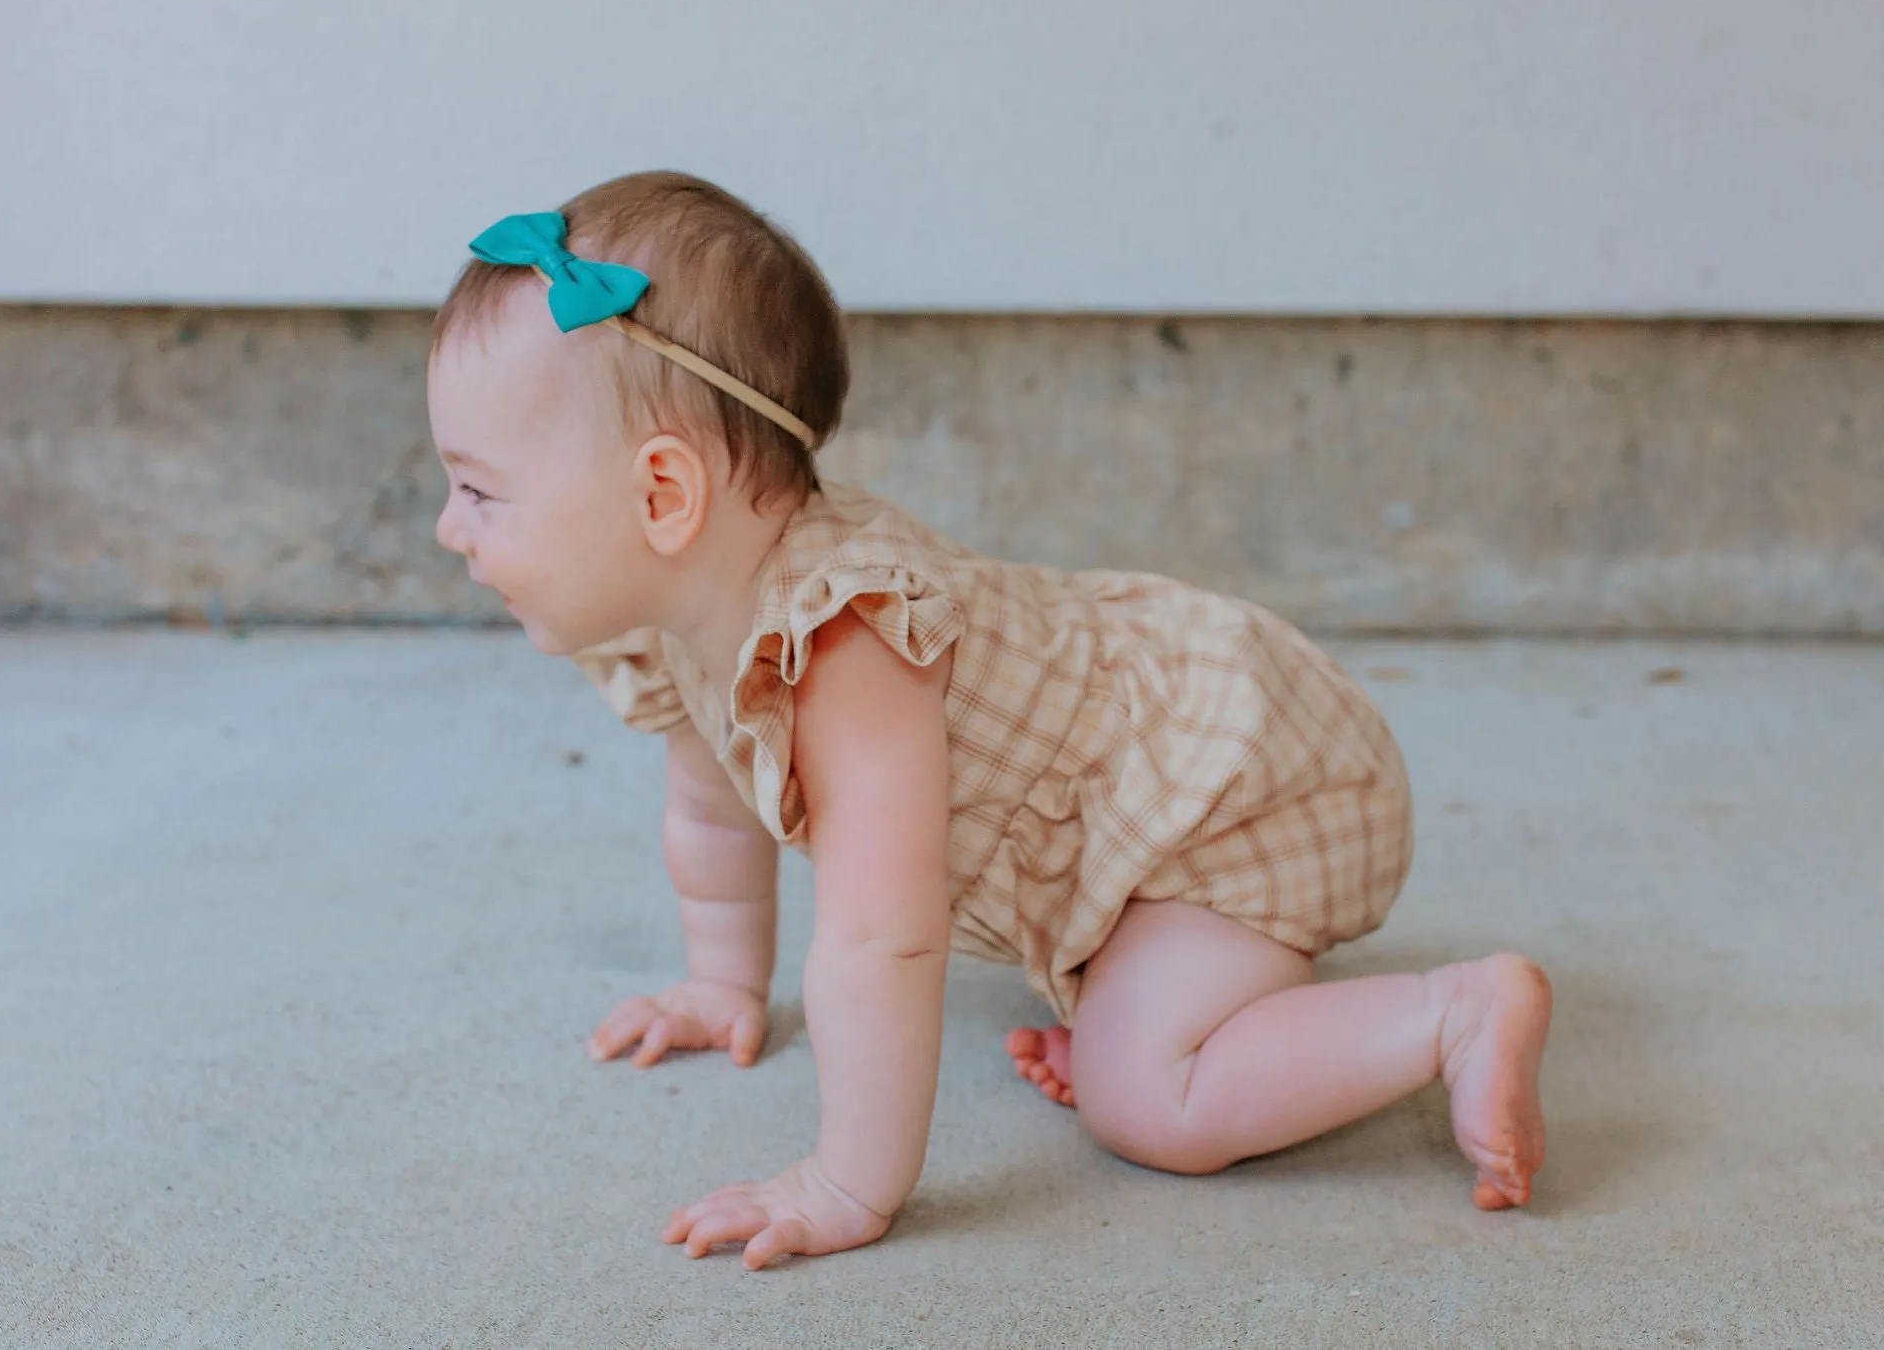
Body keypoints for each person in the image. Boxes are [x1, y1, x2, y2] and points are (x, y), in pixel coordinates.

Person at [425, 172, 1553, 1270]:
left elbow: (882, 936)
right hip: (1144, 801)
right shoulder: (680, 615)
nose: (448, 527)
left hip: (1230, 787)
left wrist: (845, 1182)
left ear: (664, 496)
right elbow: (713, 813)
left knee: (1145, 1102)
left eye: (479, 492)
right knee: (1126, 1033)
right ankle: (1154, 977)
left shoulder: (847, 640)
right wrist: (722, 985)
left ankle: (1448, 1016)